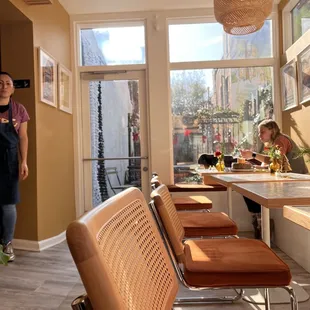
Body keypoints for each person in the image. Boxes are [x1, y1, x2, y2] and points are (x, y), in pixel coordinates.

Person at [241, 119, 308, 239]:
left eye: (262, 132)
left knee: (250, 189)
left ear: (272, 130)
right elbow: (274, 161)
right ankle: (260, 221)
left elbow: (274, 161)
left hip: (295, 180)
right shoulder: (278, 140)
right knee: (249, 189)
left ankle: (261, 222)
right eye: (259, 132)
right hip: (288, 178)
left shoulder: (280, 140)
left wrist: (253, 155)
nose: (259, 135)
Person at [0, 72, 30, 261]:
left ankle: (7, 244)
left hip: (9, 160)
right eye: (0, 83)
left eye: (8, 83)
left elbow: (23, 137)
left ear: (13, 88)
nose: (4, 86)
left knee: (8, 204)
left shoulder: (19, 110)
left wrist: (24, 161)